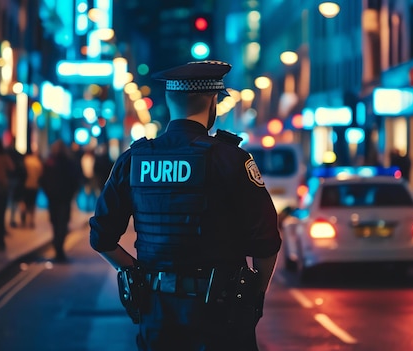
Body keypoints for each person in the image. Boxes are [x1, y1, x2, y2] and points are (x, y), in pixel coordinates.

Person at [89, 61, 281, 351]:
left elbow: (101, 238)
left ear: (169, 100)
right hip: (222, 317)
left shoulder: (134, 160)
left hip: (158, 316)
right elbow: (266, 243)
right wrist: (253, 297)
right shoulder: (231, 160)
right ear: (213, 101)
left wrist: (142, 275)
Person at [40, 140, 82, 262]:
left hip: (53, 198)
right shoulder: (70, 163)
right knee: (62, 223)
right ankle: (59, 247)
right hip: (65, 198)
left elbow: (43, 180)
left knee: (55, 222)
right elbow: (76, 180)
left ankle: (57, 245)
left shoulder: (49, 162)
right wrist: (72, 193)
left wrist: (48, 193)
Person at [20, 150, 43, 228]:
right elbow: (41, 173)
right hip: (34, 185)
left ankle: (23, 220)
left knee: (24, 203)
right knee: (32, 204)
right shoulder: (37, 162)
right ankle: (31, 221)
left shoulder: (25, 161)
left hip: (25, 185)